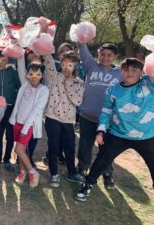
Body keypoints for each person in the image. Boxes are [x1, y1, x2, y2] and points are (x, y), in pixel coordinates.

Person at [75, 58, 154, 201]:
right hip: (118, 134)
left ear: (142, 72)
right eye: (125, 69)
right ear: (120, 71)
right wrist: (101, 131)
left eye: (134, 70)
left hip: (146, 136)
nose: (129, 73)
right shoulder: (114, 89)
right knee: (101, 160)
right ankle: (88, 184)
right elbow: (106, 112)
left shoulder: (148, 84)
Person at [76, 42, 121, 189]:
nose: (105, 58)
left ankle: (107, 173)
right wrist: (81, 37)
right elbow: (83, 50)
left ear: (115, 57)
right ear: (98, 55)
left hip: (107, 120)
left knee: (106, 149)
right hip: (87, 115)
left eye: (109, 55)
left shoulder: (120, 73)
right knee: (85, 145)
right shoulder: (91, 66)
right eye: (102, 54)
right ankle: (82, 168)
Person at [43, 51, 85, 187]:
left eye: (70, 65)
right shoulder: (53, 76)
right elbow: (47, 58)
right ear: (60, 63)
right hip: (52, 117)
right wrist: (44, 33)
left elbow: (78, 101)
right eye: (64, 64)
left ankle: (72, 172)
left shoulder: (78, 82)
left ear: (76, 66)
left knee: (70, 147)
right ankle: (54, 174)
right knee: (53, 147)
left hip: (68, 120)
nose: (66, 67)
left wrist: (68, 83)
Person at [9, 62, 49, 188]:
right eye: (31, 74)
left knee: (18, 150)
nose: (34, 77)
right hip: (18, 122)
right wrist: (20, 47)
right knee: (22, 151)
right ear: (27, 75)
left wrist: (26, 128)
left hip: (29, 125)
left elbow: (37, 111)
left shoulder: (44, 90)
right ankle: (22, 172)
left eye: (38, 74)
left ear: (42, 75)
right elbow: (21, 67)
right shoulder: (25, 85)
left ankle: (32, 172)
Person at [0, 50, 21, 172]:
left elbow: (19, 88)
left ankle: (7, 159)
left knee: (9, 136)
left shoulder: (12, 72)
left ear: (7, 60)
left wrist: (16, 106)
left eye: (2, 60)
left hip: (10, 108)